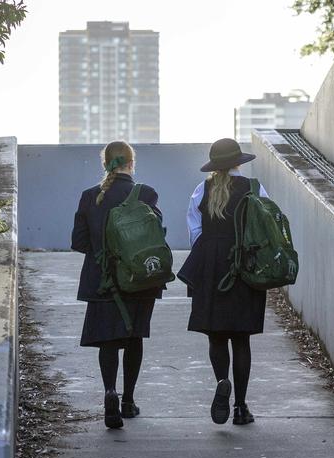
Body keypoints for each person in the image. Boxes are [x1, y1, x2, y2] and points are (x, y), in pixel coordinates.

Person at [71, 140, 162, 429]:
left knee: (108, 343)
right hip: (138, 279)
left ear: (104, 163)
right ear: (131, 163)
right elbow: (157, 235)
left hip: (102, 281)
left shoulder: (89, 197)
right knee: (134, 338)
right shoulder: (145, 193)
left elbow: (79, 242)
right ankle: (128, 400)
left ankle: (109, 391)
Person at [178, 138, 269, 426]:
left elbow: (194, 232)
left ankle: (221, 381)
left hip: (209, 266)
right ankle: (241, 407)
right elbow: (267, 226)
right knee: (241, 339)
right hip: (244, 266)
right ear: (239, 162)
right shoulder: (253, 189)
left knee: (216, 335)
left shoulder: (200, 190)